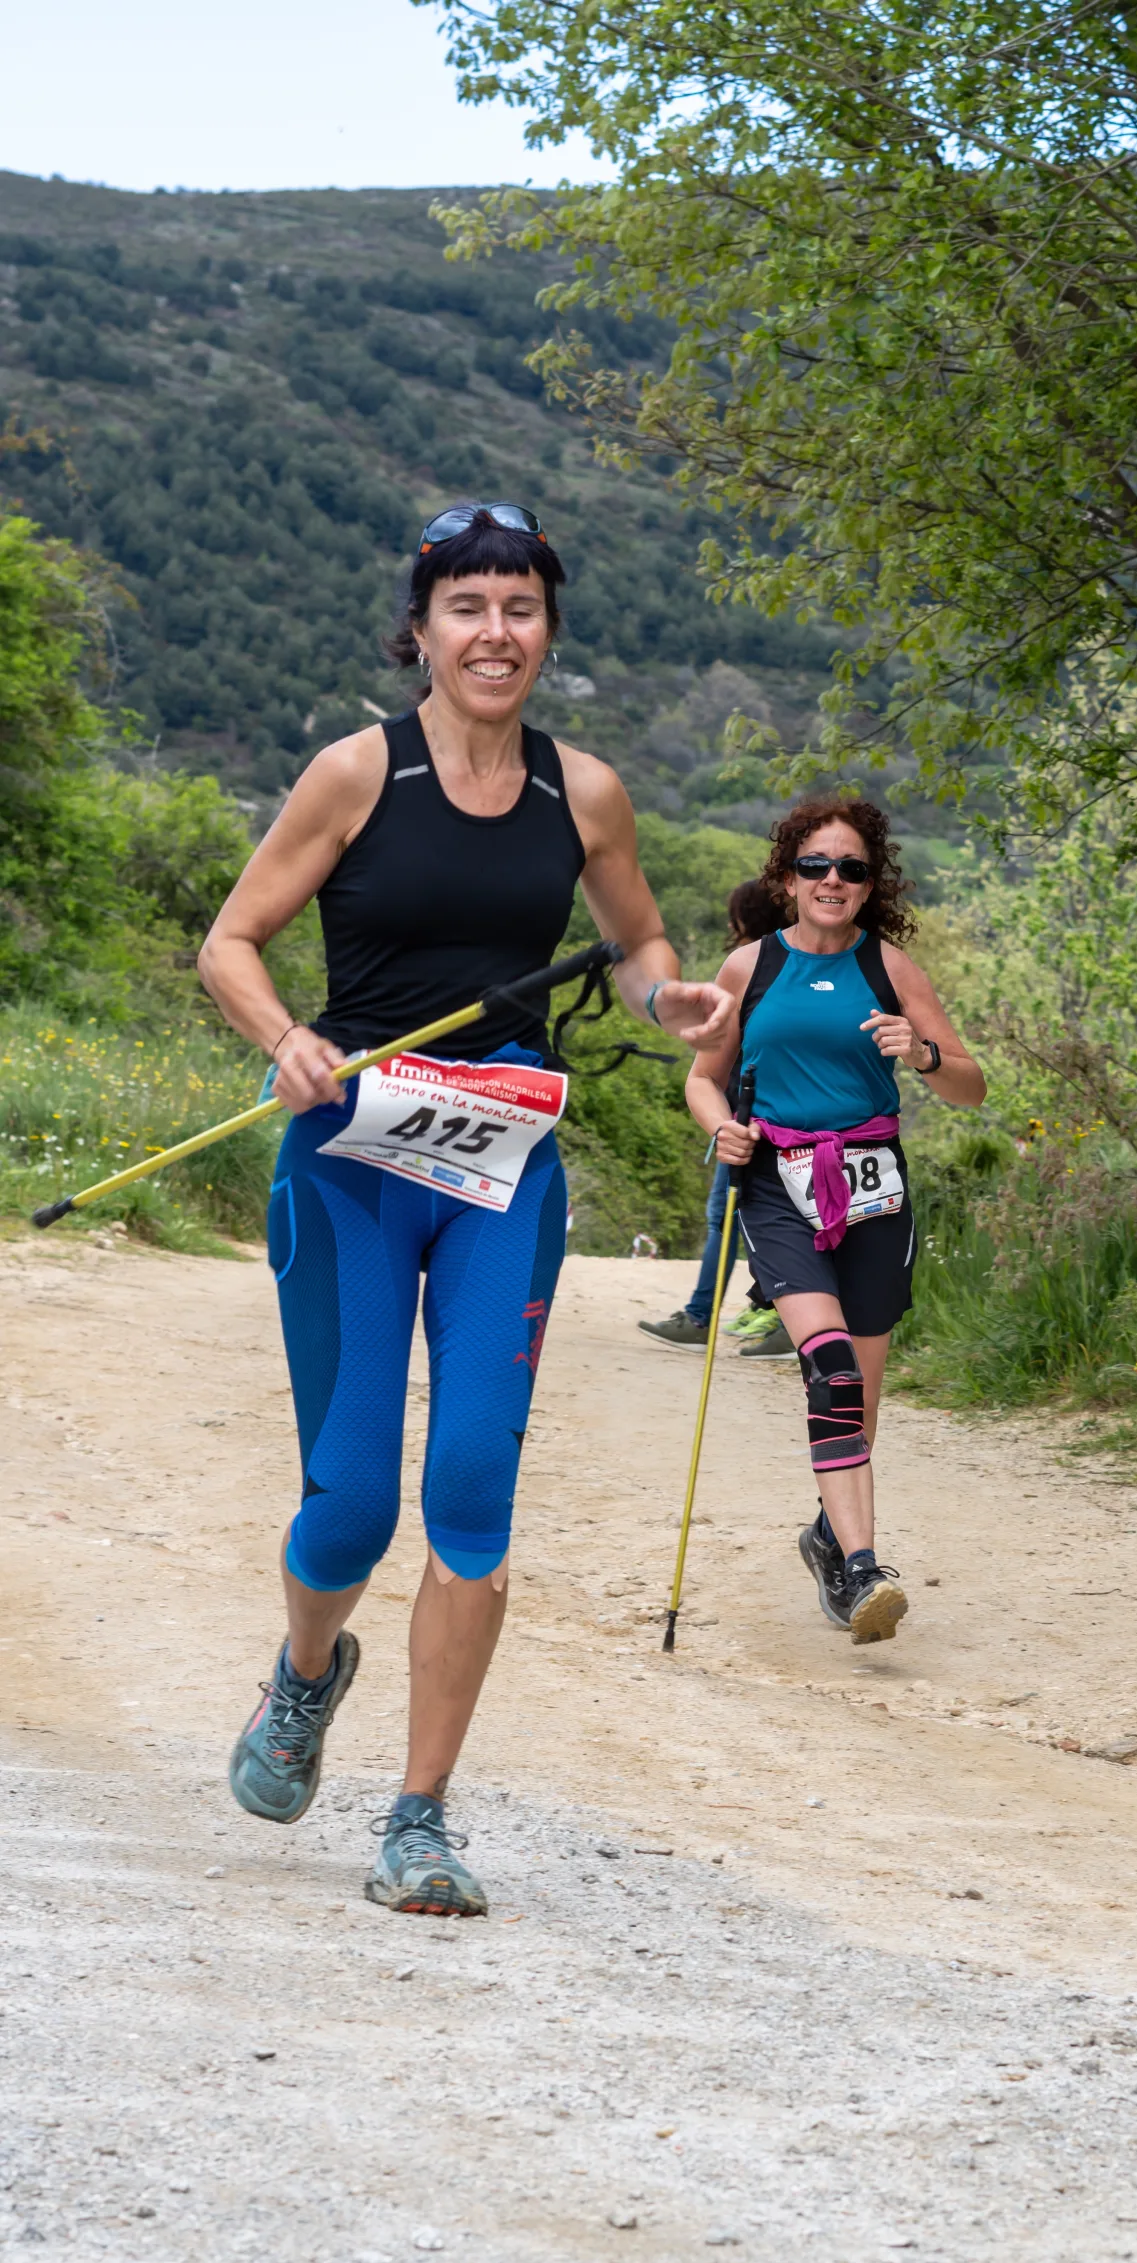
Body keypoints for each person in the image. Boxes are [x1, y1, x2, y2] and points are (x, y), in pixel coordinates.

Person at [198, 501, 733, 1915]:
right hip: (351, 1159)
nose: (494, 635)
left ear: (546, 628)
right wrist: (282, 1039)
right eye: (467, 608)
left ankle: (419, 1819)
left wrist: (663, 996)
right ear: (422, 628)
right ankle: (306, 1672)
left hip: (502, 1165)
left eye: (519, 609)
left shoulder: (586, 794)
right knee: (352, 1503)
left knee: (473, 1490)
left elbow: (634, 939)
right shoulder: (354, 774)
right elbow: (231, 940)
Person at [684, 794, 986, 1638]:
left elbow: (970, 1085)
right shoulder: (749, 968)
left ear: (868, 884)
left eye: (850, 868)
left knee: (861, 1401)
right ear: (786, 877)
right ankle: (861, 1571)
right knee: (834, 1373)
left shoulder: (891, 970)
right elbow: (703, 1077)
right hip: (780, 1184)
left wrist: (920, 1054)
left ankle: (827, 1537)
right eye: (815, 864)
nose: (832, 879)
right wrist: (723, 1130)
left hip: (873, 1186)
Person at [639, 874, 792, 1359]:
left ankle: (710, 1316)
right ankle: (772, 1318)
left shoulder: (754, 970)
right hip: (752, 1110)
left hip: (750, 1113)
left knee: (732, 1215)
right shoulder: (776, 966)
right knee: (745, 1216)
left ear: (746, 918)